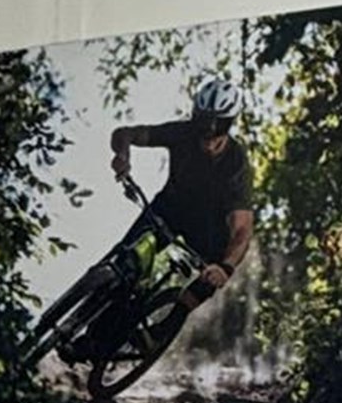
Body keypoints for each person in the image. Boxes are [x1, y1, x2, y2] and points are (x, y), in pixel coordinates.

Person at [108, 74, 255, 310]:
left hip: (206, 229)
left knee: (212, 273)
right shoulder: (183, 133)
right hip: (168, 209)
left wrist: (225, 268)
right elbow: (125, 133)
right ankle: (108, 297)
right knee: (123, 259)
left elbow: (242, 229)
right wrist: (122, 155)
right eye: (203, 123)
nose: (209, 134)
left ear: (229, 124)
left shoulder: (236, 163)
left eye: (219, 126)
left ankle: (175, 316)